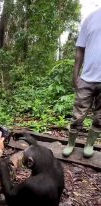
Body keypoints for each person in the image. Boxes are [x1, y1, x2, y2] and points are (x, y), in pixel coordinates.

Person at [63, 7, 101, 158]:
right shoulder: (90, 18)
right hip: (87, 78)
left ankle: (89, 144)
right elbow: (80, 49)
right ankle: (71, 143)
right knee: (77, 116)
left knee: (99, 118)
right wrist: (75, 74)